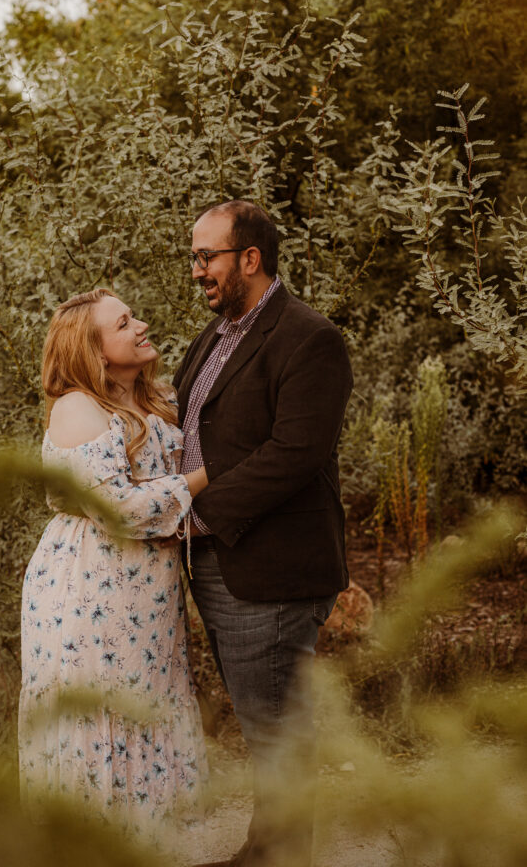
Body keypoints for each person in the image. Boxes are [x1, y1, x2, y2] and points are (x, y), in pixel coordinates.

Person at [174, 200, 353, 867]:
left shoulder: (309, 338)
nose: (196, 271)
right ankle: (266, 852)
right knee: (265, 729)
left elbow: (294, 451)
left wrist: (195, 513)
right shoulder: (210, 341)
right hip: (220, 565)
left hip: (271, 570)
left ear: (249, 258)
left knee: (277, 733)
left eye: (205, 257)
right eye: (194, 258)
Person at [19, 288, 209, 836]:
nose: (142, 325)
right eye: (125, 322)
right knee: (103, 715)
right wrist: (201, 479)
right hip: (90, 589)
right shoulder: (79, 406)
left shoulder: (152, 400)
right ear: (94, 351)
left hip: (147, 595)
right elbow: (119, 509)